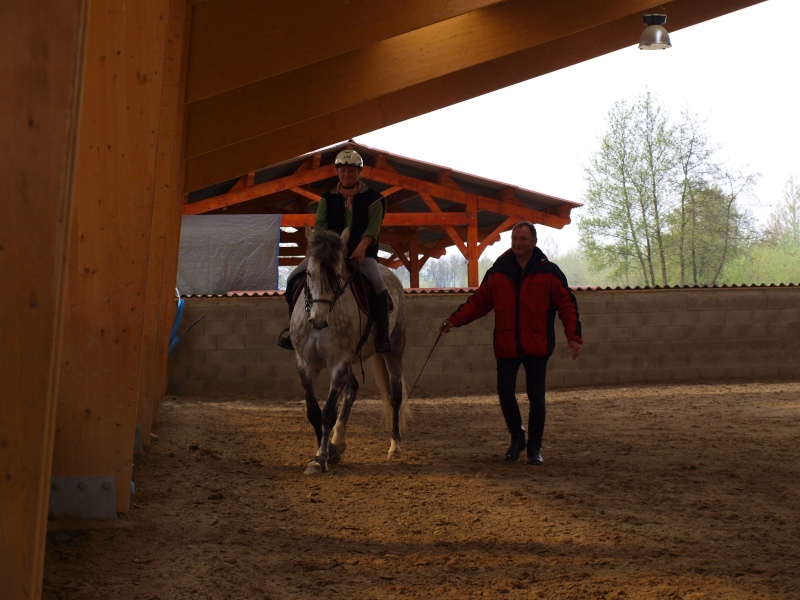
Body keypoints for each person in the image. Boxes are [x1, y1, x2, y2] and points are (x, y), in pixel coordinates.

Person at [439, 221, 582, 465]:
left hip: (537, 344)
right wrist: (454, 320)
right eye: (515, 239)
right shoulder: (498, 271)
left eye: (523, 239)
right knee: (505, 393)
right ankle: (517, 438)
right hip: (506, 344)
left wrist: (574, 336)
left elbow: (567, 305)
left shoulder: (550, 272)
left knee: (536, 396)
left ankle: (534, 448)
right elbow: (479, 302)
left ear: (534, 242)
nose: (517, 243)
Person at [277, 148, 392, 353]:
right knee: (292, 278)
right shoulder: (327, 198)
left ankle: (382, 333)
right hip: (329, 254)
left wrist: (361, 248)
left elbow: (373, 228)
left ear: (359, 172)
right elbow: (320, 226)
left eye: (351, 171)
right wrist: (325, 250)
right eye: (343, 171)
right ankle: (293, 328)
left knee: (378, 284)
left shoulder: (375, 198)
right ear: (337, 172)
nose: (346, 174)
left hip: (361, 254)